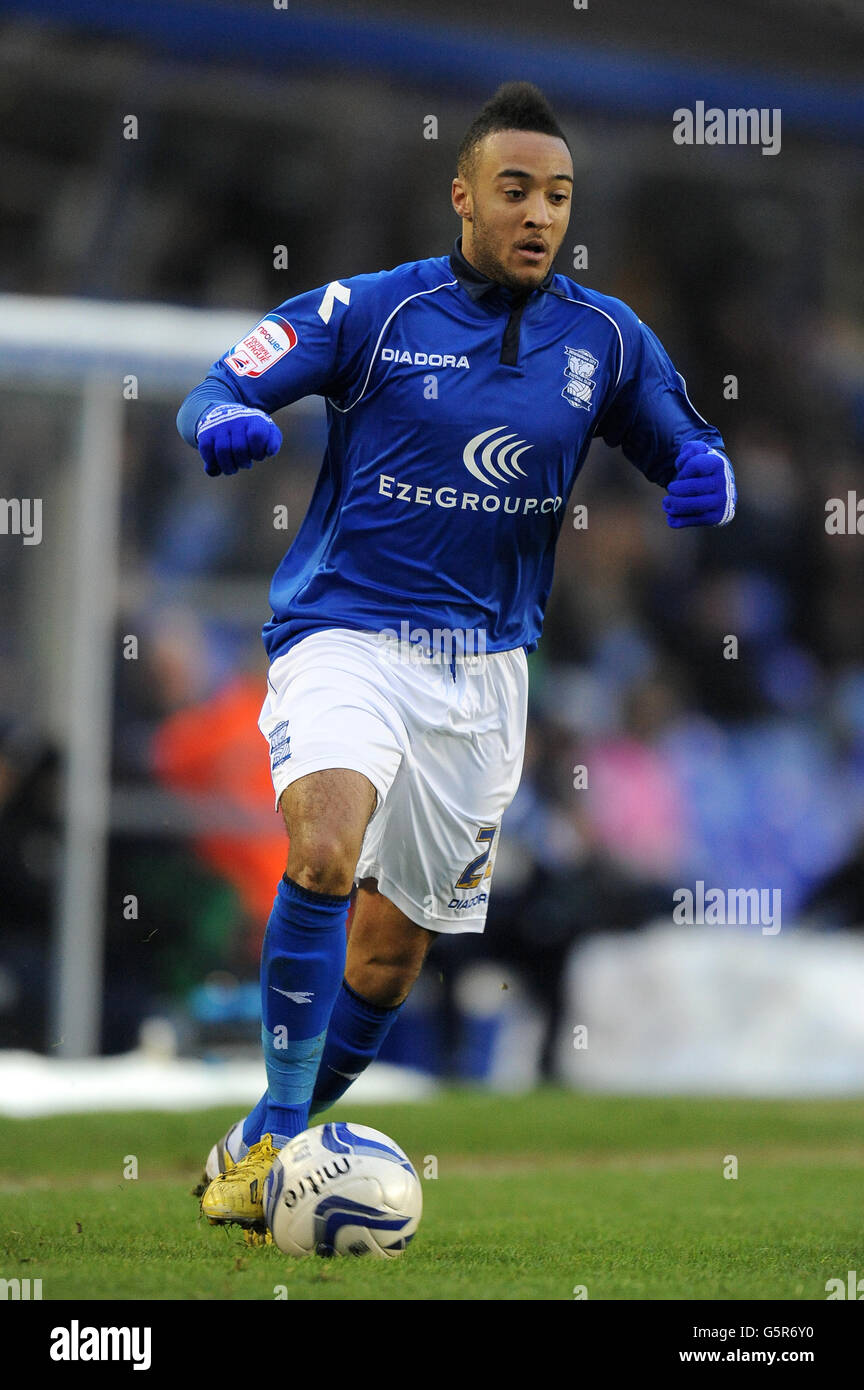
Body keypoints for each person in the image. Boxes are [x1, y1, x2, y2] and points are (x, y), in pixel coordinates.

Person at [176, 81, 736, 1240]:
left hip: (483, 674)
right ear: (464, 196)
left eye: (560, 197)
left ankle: (262, 1140)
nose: (541, 215)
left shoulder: (607, 338)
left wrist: (704, 469)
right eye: (517, 191)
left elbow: (683, 431)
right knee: (325, 846)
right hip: (347, 631)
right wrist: (220, 419)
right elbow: (223, 377)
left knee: (387, 962)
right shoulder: (376, 312)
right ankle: (283, 1133)